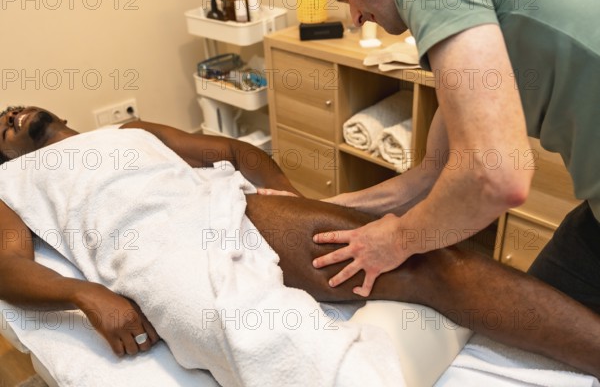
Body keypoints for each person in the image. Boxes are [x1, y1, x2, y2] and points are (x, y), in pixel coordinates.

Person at [0, 106, 599, 378]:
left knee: (430, 260)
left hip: (229, 209)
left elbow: (235, 152)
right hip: (155, 250)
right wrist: (85, 296)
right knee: (269, 344)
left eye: (10, 108)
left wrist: (284, 195)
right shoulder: (14, 182)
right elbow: (6, 266)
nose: (9, 115)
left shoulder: (126, 130)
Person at [308, 0, 600, 319]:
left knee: (534, 337)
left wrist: (397, 240)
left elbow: (497, 177)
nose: (355, 18)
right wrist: (325, 207)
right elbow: (433, 176)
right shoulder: (470, 25)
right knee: (533, 327)